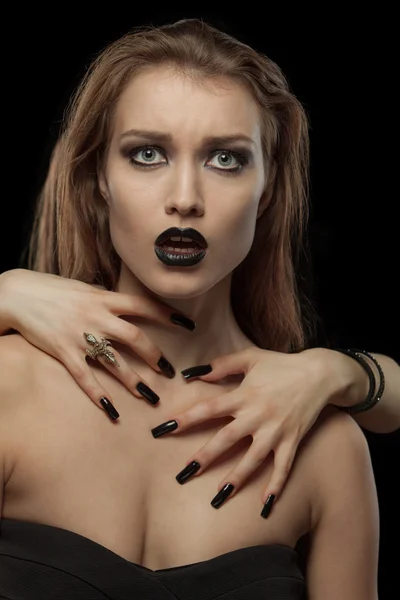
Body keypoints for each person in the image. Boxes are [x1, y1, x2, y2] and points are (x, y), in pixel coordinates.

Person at [0, 17, 392, 600]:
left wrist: (346, 370)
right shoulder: (10, 386)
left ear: (267, 189)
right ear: (99, 178)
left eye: (226, 159)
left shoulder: (326, 447)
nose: (185, 198)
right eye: (147, 153)